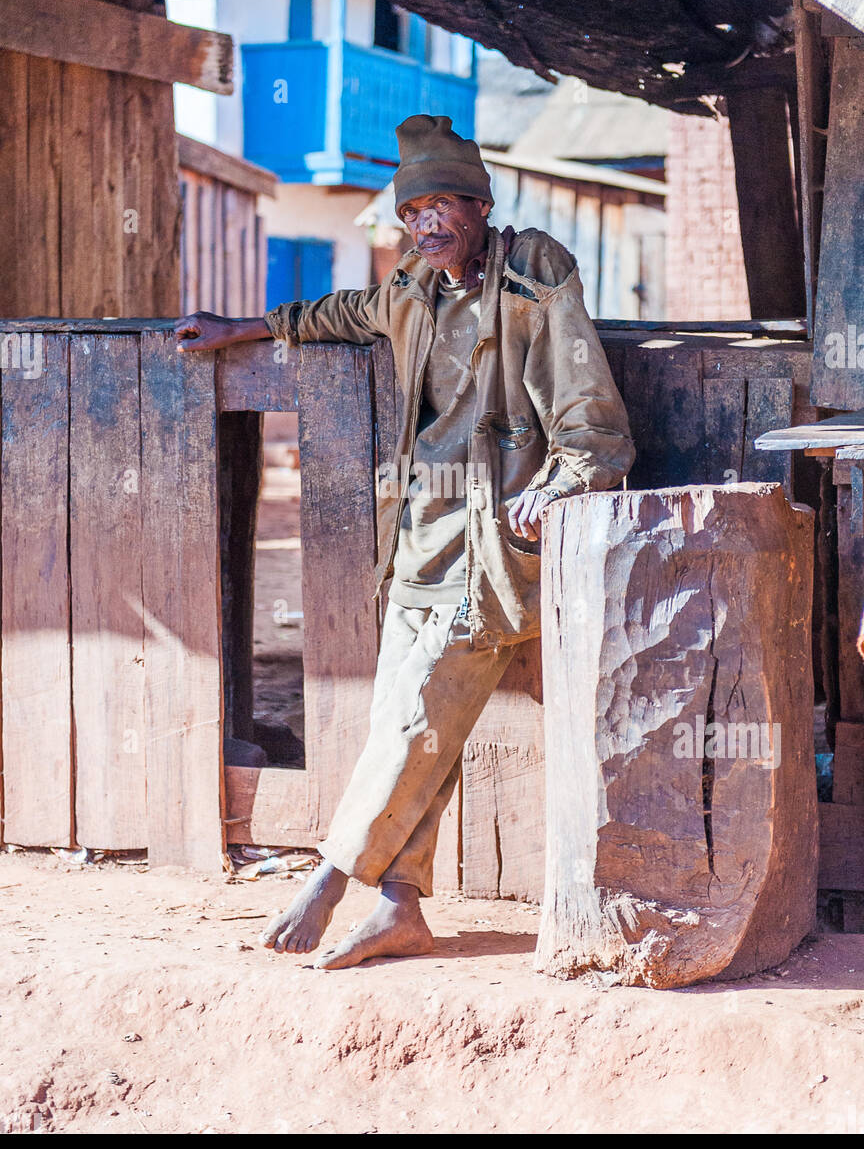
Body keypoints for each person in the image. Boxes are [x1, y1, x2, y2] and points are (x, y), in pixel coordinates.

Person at [175, 114, 635, 969]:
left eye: (444, 206)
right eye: (413, 208)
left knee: (419, 715)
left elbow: (592, 418)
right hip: (419, 539)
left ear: (481, 203)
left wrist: (560, 483)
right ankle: (403, 907)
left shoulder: (532, 272)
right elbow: (341, 312)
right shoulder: (412, 290)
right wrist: (242, 326)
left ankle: (331, 879)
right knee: (407, 720)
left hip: (495, 545)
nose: (427, 224)